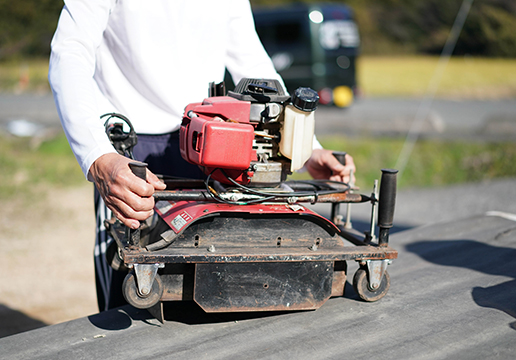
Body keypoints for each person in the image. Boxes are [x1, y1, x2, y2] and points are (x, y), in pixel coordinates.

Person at [49, 0, 356, 312]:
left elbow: (253, 67)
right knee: (128, 301)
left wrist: (308, 146)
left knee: (207, 292)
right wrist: (98, 155)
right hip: (128, 155)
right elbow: (70, 51)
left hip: (212, 144)